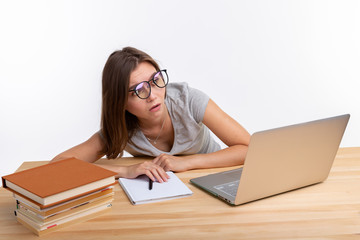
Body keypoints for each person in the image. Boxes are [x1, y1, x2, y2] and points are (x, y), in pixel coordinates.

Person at [51, 47, 250, 183]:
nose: (153, 96)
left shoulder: (188, 100)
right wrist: (125, 171)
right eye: (138, 90)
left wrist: (187, 162)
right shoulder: (121, 129)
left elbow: (249, 148)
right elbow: (59, 165)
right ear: (120, 103)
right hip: (166, 188)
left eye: (155, 80)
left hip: (211, 176)